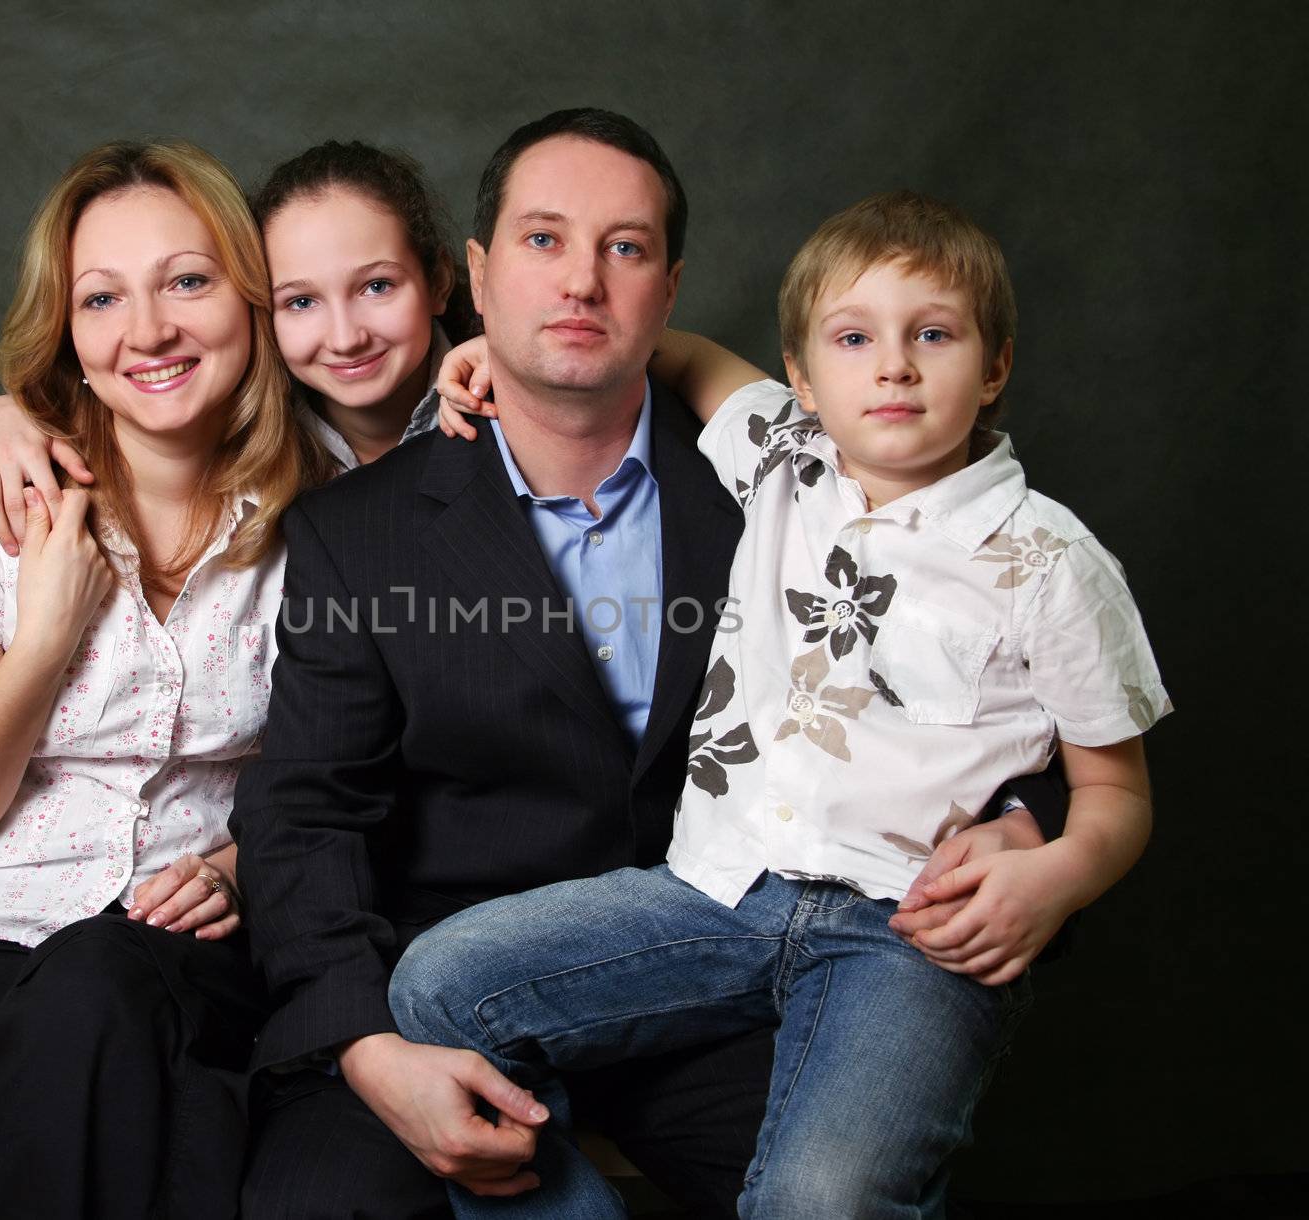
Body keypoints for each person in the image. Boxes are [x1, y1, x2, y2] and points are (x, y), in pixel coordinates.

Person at [229, 112, 1062, 1219]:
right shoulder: (359, 532)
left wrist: (1021, 819)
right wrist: (367, 1042)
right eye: (541, 241)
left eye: (622, 248)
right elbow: (302, 814)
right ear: (474, 278)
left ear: (668, 291)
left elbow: (994, 673)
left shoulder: (787, 488)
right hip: (448, 990)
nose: (581, 280)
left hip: (725, 980)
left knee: (849, 1193)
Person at [390, 190, 1171, 1217]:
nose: (892, 364)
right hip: (717, 889)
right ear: (802, 376)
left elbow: (1114, 791)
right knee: (441, 983)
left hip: (909, 932)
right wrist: (513, 354)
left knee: (818, 1196)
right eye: (853, 338)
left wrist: (1060, 875)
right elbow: (677, 356)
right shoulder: (778, 460)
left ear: (993, 366)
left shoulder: (1051, 559)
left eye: (931, 333)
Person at [0, 138, 322, 1220]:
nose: (147, 330)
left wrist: (247, 864)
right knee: (163, 1101)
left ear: (253, 300)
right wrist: (43, 641)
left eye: (188, 282)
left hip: (193, 952)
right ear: (67, 332)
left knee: (110, 997)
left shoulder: (335, 511)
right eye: (101, 298)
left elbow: (369, 772)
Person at [0, 139, 469, 545]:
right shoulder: (267, 438)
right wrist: (5, 413)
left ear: (439, 281)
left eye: (377, 287)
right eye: (300, 302)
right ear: (263, 307)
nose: (344, 337)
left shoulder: (508, 397)